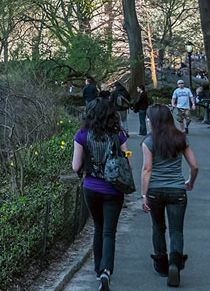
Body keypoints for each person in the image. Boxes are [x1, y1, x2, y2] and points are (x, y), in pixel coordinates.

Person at [72, 98, 130, 291]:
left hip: (91, 188)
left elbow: (75, 166)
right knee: (109, 232)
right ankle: (106, 271)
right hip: (113, 189)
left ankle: (98, 270)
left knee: (98, 228)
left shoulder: (81, 135)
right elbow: (127, 162)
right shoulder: (118, 135)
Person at [141, 104, 199, 287]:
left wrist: (144, 195)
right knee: (176, 230)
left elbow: (147, 169)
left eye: (149, 118)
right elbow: (195, 166)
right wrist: (190, 181)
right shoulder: (181, 138)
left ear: (155, 121)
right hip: (177, 190)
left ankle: (161, 264)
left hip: (155, 190)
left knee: (158, 228)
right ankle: (175, 262)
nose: (147, 121)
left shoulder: (148, 142)